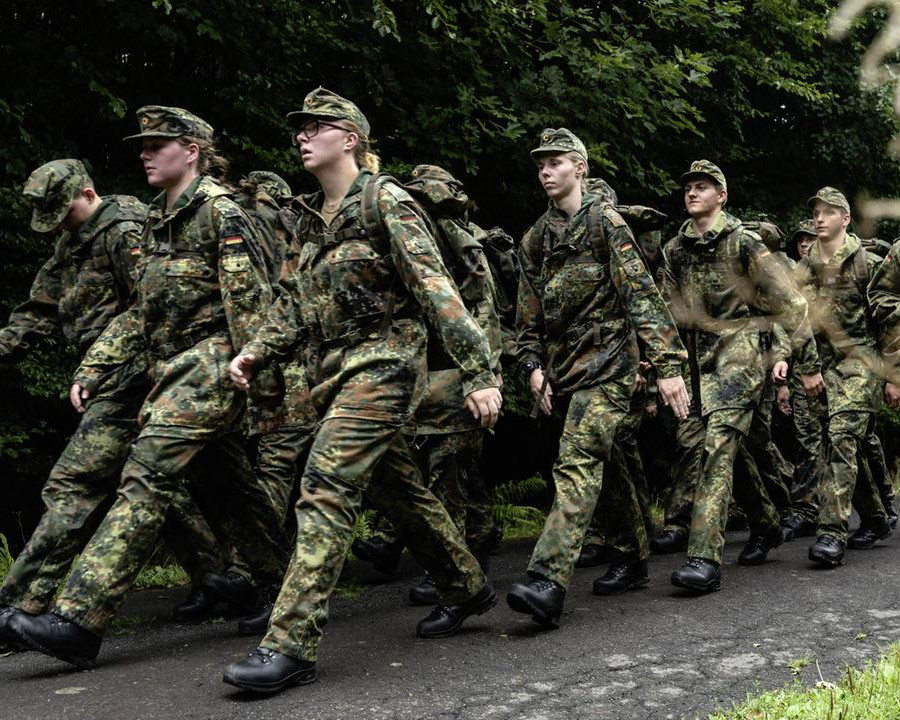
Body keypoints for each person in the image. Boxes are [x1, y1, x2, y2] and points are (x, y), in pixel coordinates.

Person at [223, 88, 502, 694]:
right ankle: (464, 583)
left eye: (315, 127)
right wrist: (254, 350)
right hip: (334, 374)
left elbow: (437, 291)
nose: (302, 136)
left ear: (350, 138)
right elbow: (293, 303)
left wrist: (480, 374)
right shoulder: (308, 219)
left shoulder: (387, 203)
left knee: (324, 485)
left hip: (386, 368)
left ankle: (289, 644)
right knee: (396, 487)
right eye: (298, 128)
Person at [9, 106, 285, 668]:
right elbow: (141, 314)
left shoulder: (221, 213)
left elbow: (252, 304)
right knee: (231, 484)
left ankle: (80, 618)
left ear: (192, 151)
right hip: (168, 369)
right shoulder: (162, 220)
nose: (144, 153)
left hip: (213, 364)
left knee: (147, 476)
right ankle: (282, 582)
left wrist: (260, 378)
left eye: (158, 144)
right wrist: (95, 365)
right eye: (144, 144)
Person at [505, 128, 689, 627]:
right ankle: (632, 554)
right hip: (565, 372)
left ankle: (547, 579)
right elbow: (528, 319)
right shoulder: (536, 239)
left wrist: (669, 369)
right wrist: (533, 368)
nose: (546, 170)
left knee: (577, 460)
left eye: (557, 161)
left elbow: (642, 297)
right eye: (540, 163)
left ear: (580, 167)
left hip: (609, 368)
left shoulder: (606, 222)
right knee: (613, 462)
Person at [0, 160, 149, 648]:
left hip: (134, 376)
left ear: (88, 192)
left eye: (63, 213)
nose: (58, 225)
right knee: (208, 487)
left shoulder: (125, 230)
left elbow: (150, 309)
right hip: (106, 378)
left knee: (72, 484)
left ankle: (18, 604)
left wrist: (106, 366)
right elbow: (39, 309)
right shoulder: (72, 241)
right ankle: (246, 578)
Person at [663, 160, 821, 593]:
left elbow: (793, 305)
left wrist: (798, 363)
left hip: (740, 360)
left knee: (717, 447)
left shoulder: (744, 245)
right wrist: (661, 363)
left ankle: (703, 558)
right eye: (689, 187)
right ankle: (767, 522)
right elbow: (665, 312)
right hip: (698, 365)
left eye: (703, 187)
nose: (693, 193)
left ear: (722, 195)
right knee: (724, 448)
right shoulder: (676, 249)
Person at [789, 187, 892, 567]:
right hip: (822, 364)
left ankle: (832, 532)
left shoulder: (866, 262)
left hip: (861, 362)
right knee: (855, 445)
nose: (819, 218)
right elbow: (794, 322)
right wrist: (805, 368)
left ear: (845, 219)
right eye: (815, 211)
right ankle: (878, 517)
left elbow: (887, 319)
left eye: (828, 212)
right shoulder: (803, 269)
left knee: (842, 437)